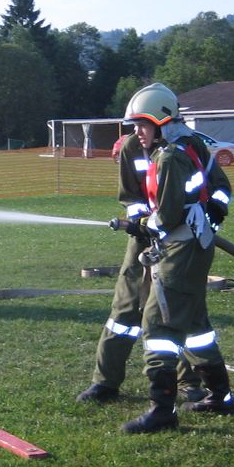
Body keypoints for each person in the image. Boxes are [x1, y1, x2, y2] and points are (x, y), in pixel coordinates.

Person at [106, 84, 234, 434]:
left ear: (161, 122)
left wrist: (143, 226)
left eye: (142, 125)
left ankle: (162, 410)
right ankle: (220, 396)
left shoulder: (170, 157)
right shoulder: (185, 146)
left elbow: (169, 214)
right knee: (195, 327)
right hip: (192, 245)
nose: (137, 133)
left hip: (180, 249)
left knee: (159, 325)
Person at [76, 127, 206, 407]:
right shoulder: (131, 147)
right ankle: (105, 382)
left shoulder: (188, 145)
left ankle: (189, 382)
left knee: (175, 311)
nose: (136, 131)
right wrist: (140, 222)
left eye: (143, 123)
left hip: (181, 243)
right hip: (143, 239)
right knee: (125, 308)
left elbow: (217, 189)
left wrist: (210, 218)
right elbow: (130, 196)